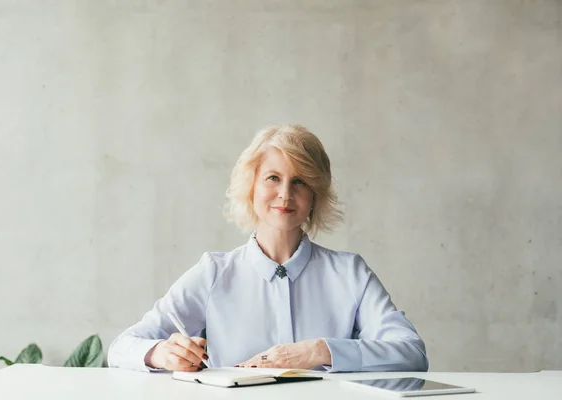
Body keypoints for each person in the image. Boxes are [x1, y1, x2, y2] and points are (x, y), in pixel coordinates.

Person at [108, 124, 429, 373]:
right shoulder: (213, 272)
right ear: (251, 186)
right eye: (273, 178)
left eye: (300, 181)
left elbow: (411, 351)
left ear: (316, 194)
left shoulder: (350, 273)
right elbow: (122, 347)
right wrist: (161, 353)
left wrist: (319, 351)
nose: (285, 194)